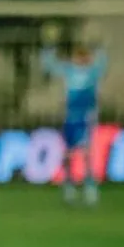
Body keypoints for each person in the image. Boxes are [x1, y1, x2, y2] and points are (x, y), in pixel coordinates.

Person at [41, 25, 107, 205]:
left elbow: (103, 63)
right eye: (78, 55)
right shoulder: (69, 71)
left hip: (86, 117)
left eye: (84, 55)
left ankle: (89, 187)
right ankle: (69, 187)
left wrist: (98, 46)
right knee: (69, 154)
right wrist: (49, 46)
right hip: (71, 117)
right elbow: (49, 65)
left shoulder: (92, 72)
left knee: (86, 153)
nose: (80, 59)